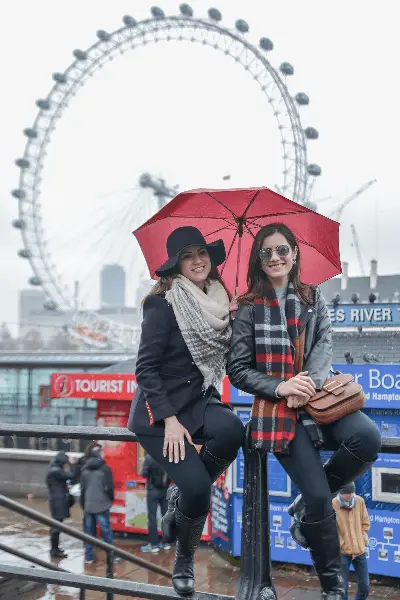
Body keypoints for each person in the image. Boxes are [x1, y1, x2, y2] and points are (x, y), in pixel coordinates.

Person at [227, 223, 381, 600]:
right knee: (317, 498)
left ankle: (299, 507)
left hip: (316, 399)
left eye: (283, 250)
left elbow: (324, 348)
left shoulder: (314, 298)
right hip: (277, 410)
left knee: (368, 438)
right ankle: (333, 589)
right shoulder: (247, 308)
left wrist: (306, 384)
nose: (276, 258)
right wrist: (280, 387)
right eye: (267, 253)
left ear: (295, 253)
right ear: (259, 261)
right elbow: (238, 369)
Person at [128, 225, 244, 596]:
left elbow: (227, 360)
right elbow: (145, 369)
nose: (197, 261)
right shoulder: (161, 304)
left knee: (232, 431)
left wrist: (239, 319)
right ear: (176, 266)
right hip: (159, 411)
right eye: (188, 256)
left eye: (202, 254)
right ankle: (184, 561)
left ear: (210, 260)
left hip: (197, 401)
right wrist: (170, 420)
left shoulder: (220, 305)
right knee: (199, 490)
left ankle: (179, 499)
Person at [333, 483, 370, 600]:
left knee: (365, 586)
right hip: (343, 552)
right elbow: (330, 530)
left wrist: (362, 538)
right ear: (340, 493)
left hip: (359, 550)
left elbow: (365, 522)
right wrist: (341, 543)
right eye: (346, 493)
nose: (349, 496)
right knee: (342, 589)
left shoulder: (359, 501)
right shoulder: (332, 504)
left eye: (351, 493)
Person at [80, 444, 116, 564]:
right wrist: (111, 499)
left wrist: (83, 504)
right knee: (106, 531)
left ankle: (88, 557)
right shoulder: (105, 468)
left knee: (89, 533)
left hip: (88, 504)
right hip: (102, 504)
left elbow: (83, 489)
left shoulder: (84, 468)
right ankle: (111, 556)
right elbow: (109, 487)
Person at [46, 451, 76, 558]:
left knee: (57, 526)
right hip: (57, 501)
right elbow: (71, 475)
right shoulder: (56, 471)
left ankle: (55, 548)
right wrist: (72, 464)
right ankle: (54, 551)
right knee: (56, 526)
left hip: (57, 500)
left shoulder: (53, 468)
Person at [140, 452, 171, 553]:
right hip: (165, 490)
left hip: (152, 491)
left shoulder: (150, 457)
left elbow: (144, 474)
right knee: (165, 516)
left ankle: (154, 545)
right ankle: (166, 542)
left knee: (152, 518)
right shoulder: (169, 455)